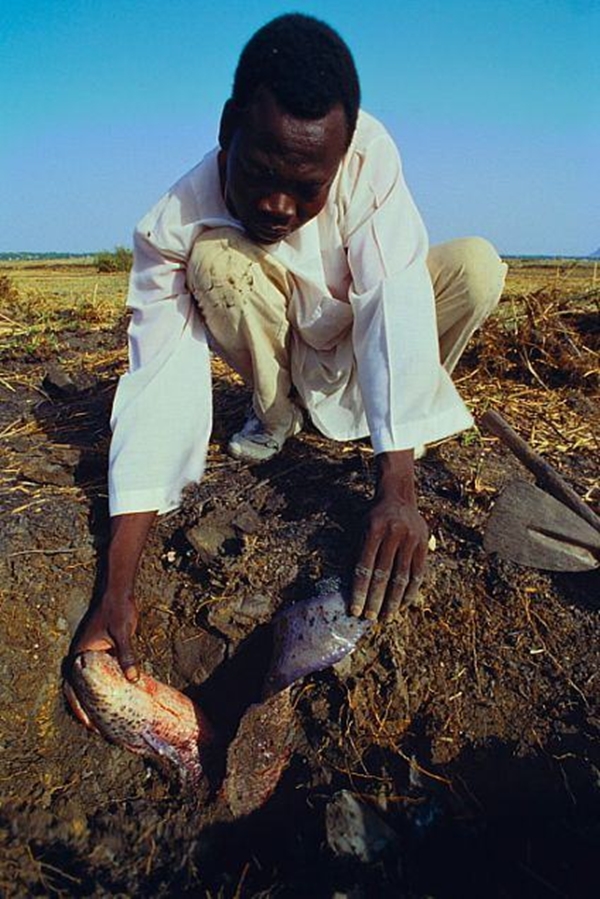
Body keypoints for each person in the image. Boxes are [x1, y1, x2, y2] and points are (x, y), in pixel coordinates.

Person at [72, 14, 507, 680]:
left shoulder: (368, 155)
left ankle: (397, 424)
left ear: (342, 155)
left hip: (355, 338)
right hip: (285, 348)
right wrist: (118, 585)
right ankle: (276, 416)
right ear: (228, 128)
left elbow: (391, 298)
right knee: (215, 260)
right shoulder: (172, 222)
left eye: (308, 188)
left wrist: (397, 489)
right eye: (260, 174)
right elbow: (156, 385)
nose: (278, 205)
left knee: (476, 267)